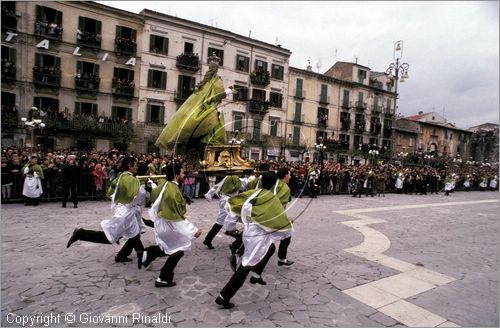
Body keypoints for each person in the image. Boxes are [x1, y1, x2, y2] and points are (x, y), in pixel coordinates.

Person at [215, 172, 293, 309]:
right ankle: (224, 296)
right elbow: (280, 222)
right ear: (274, 184)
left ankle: (255, 272)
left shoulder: (252, 193)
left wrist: (230, 227)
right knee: (245, 267)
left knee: (270, 248)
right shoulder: (272, 199)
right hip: (258, 237)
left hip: (248, 232)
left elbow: (233, 206)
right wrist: (289, 223)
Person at [66, 156, 150, 263]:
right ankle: (81, 233)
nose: (137, 167)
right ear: (130, 165)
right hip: (126, 211)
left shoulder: (120, 176)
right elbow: (135, 197)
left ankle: (134, 256)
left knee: (134, 233)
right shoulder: (131, 179)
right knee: (111, 237)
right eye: (135, 165)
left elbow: (110, 192)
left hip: (122, 209)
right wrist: (145, 190)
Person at [136, 163, 202, 287]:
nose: (184, 175)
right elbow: (176, 218)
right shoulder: (173, 190)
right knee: (179, 249)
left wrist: (182, 197)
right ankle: (163, 278)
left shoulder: (166, 184)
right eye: (182, 173)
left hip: (162, 223)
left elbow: (155, 193)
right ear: (177, 175)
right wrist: (193, 231)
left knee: (168, 247)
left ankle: (148, 253)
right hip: (168, 225)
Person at [203, 174, 243, 249]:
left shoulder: (227, 177)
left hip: (224, 199)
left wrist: (209, 194)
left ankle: (208, 239)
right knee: (223, 220)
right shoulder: (237, 179)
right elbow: (241, 186)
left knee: (226, 219)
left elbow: (216, 186)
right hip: (228, 200)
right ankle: (208, 239)